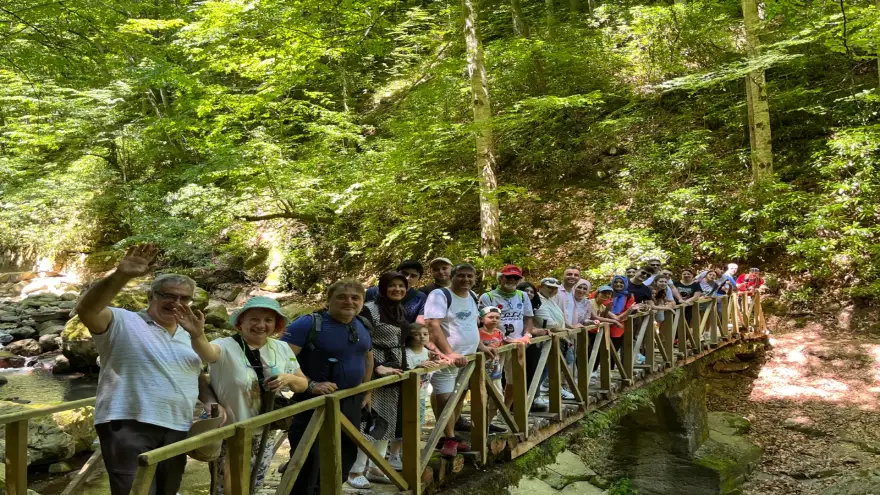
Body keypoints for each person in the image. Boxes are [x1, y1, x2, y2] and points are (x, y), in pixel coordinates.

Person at [75, 244, 217, 495]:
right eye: (168, 296)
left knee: (167, 491)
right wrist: (121, 275)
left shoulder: (189, 334)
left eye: (184, 298)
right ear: (151, 296)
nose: (176, 303)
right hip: (128, 424)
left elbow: (194, 372)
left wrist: (209, 400)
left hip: (178, 425)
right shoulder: (122, 321)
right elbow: (87, 309)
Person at [189, 296, 308, 495]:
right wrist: (197, 334)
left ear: (276, 324)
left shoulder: (281, 348)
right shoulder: (225, 345)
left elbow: (302, 385)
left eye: (268, 320)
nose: (261, 325)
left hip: (265, 432)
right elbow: (207, 353)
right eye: (254, 319)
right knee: (226, 489)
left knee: (254, 484)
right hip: (230, 431)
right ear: (241, 322)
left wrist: (288, 378)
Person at [281, 280, 374, 495]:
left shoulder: (362, 323)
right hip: (313, 403)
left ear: (362, 302)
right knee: (307, 460)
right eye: (341, 297)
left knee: (345, 455)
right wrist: (311, 384)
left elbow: (368, 357)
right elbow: (281, 360)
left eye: (355, 298)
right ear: (329, 300)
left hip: (351, 402)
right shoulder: (307, 324)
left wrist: (367, 391)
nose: (349, 301)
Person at [347, 272, 415, 488]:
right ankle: (355, 470)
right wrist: (377, 366)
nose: (397, 289)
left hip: (396, 368)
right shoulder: (370, 310)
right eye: (392, 285)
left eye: (401, 286)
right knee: (369, 420)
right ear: (383, 287)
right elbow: (360, 341)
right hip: (374, 368)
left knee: (389, 418)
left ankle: (376, 467)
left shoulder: (400, 310)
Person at [424, 263, 494, 457]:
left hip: (468, 357)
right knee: (445, 398)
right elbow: (432, 325)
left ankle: (447, 435)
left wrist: (481, 346)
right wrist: (450, 353)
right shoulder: (440, 295)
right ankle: (449, 438)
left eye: (470, 276)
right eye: (461, 275)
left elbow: (470, 324)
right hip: (446, 359)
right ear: (452, 277)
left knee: (459, 396)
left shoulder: (472, 296)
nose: (466, 279)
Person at [478, 265, 534, 415]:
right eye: (508, 277)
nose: (512, 280)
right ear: (500, 278)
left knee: (515, 379)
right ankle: (488, 417)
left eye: (516, 277)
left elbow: (528, 317)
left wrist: (527, 335)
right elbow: (480, 322)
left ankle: (504, 411)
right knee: (493, 381)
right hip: (494, 346)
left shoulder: (523, 295)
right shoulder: (488, 297)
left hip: (518, 344)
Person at [533, 278, 576, 400]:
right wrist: (565, 331)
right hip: (545, 340)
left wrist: (567, 330)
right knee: (543, 368)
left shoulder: (550, 299)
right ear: (541, 287)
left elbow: (559, 318)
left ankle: (547, 386)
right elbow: (548, 323)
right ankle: (535, 396)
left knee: (566, 360)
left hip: (557, 338)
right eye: (549, 287)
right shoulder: (538, 300)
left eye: (555, 288)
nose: (552, 290)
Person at [517, 281, 551, 412]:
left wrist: (538, 330)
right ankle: (520, 403)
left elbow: (530, 324)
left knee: (535, 371)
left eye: (531, 291)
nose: (529, 293)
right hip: (518, 342)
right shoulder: (514, 305)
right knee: (521, 373)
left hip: (532, 344)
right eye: (526, 291)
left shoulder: (534, 306)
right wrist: (534, 331)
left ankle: (531, 399)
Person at [404, 325, 441, 438]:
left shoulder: (426, 351)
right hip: (409, 395)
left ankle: (416, 444)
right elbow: (406, 373)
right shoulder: (407, 353)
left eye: (425, 334)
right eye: (417, 334)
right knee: (409, 424)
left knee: (419, 422)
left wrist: (433, 360)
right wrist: (418, 367)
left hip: (421, 393)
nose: (422, 337)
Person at [478, 306, 508, 433]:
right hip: (479, 373)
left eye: (497, 317)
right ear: (481, 319)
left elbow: (502, 350)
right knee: (481, 400)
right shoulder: (477, 333)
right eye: (490, 317)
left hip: (495, 372)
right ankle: (480, 426)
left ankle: (487, 424)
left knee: (498, 399)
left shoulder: (499, 333)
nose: (494, 320)